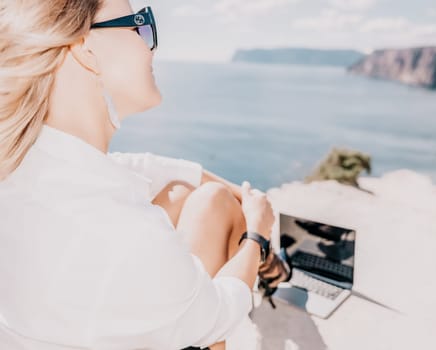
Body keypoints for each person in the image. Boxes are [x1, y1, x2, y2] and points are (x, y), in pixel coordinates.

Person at [0, 1, 292, 349]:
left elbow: (140, 167)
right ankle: (272, 268)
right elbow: (219, 310)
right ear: (86, 50)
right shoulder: (123, 235)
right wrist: (257, 236)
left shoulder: (31, 167)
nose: (149, 44)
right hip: (185, 312)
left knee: (193, 194)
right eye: (138, 24)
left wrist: (247, 198)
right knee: (215, 209)